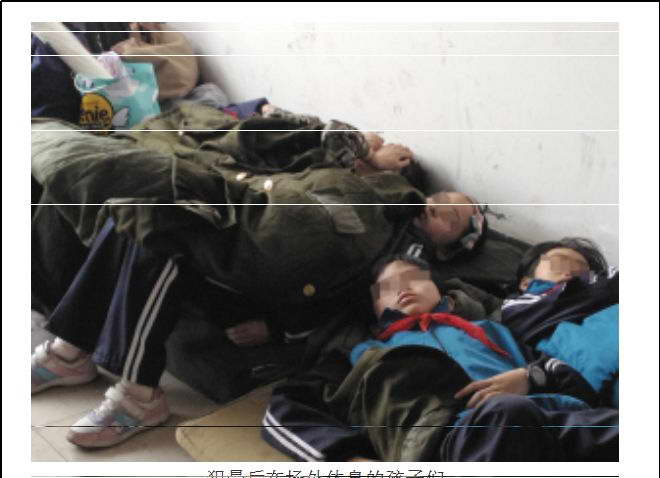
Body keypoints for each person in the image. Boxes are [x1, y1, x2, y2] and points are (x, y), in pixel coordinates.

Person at [31, 104, 489, 448]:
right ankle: (72, 350)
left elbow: (357, 309)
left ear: (448, 247)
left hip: (266, 277)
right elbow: (266, 150)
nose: (442, 206)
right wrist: (360, 152)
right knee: (137, 210)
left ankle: (138, 397)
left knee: (165, 232)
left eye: (454, 216)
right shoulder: (344, 174)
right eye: (444, 199)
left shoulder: (406, 256)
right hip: (245, 224)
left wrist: (279, 327)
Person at [262, 254, 618, 462]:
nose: (402, 289)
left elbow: (569, 375)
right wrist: (344, 459)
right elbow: (283, 410)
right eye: (386, 288)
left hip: (557, 418)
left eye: (413, 279)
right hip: (457, 440)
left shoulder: (492, 328)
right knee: (506, 414)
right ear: (374, 306)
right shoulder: (362, 353)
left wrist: (530, 377)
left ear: (441, 290)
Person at [500, 237, 619, 407]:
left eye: (582, 269)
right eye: (558, 263)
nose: (570, 272)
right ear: (526, 283)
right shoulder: (518, 311)